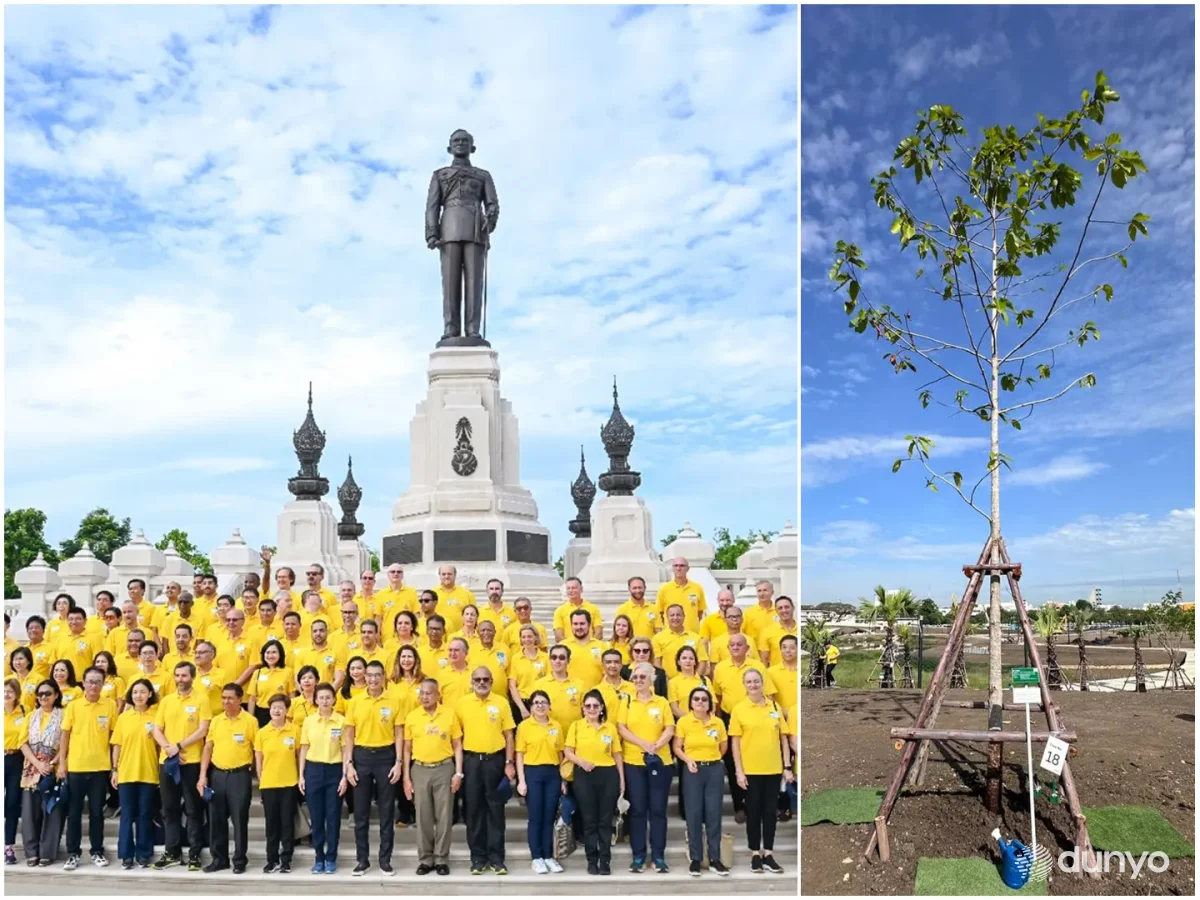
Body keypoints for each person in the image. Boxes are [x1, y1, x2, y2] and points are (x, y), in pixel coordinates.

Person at [730, 668, 793, 874]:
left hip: (773, 769)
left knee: (769, 813)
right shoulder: (739, 709)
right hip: (751, 771)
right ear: (744, 685)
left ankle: (769, 853)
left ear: (762, 683)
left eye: (756, 681)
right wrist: (739, 771)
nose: (753, 685)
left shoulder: (774, 706)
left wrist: (787, 766)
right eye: (749, 682)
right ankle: (755, 853)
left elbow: (783, 738)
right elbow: (735, 744)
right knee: (754, 813)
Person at [343, 660, 403, 876]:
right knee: (361, 813)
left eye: (378, 675)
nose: (374, 679)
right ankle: (362, 860)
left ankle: (385, 860)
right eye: (370, 675)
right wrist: (348, 764)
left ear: (383, 676)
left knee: (387, 811)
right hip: (362, 757)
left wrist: (398, 762)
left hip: (386, 757)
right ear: (364, 677)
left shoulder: (394, 701)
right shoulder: (356, 702)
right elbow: (349, 734)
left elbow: (399, 734)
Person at [151, 661, 212, 871]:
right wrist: (168, 747)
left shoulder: (201, 699)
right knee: (169, 809)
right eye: (177, 675)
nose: (180, 679)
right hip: (168, 762)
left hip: (191, 762)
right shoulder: (166, 701)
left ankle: (195, 854)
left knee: (193, 809)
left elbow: (203, 730)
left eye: (184, 676)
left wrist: (179, 746)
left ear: (192, 677)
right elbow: (157, 729)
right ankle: (172, 853)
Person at [455, 666, 516, 875]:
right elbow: (457, 738)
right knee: (473, 811)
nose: (482, 683)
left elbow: (509, 735)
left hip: (495, 762)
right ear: (471, 682)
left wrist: (509, 762)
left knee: (496, 811)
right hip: (471, 762)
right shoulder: (462, 703)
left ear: (491, 681)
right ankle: (478, 858)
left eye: (486, 679)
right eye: (477, 679)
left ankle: (497, 858)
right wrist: (459, 769)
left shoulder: (501, 702)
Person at [712, 633, 777, 824]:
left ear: (747, 648)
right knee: (733, 765)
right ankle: (739, 806)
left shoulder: (757, 667)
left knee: (755, 762)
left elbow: (770, 696)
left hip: (756, 719)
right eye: (732, 645)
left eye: (740, 644)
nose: (736, 647)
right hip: (729, 718)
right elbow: (718, 696)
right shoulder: (721, 668)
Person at [617, 661, 675, 873]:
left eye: (642, 677)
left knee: (658, 810)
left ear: (652, 679)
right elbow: (621, 728)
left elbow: (670, 727)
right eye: (635, 677)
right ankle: (639, 856)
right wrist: (643, 744)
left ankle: (658, 856)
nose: (638, 680)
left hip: (660, 762)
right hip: (634, 762)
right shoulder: (627, 701)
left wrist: (658, 744)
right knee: (638, 810)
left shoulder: (662, 703)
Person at [403, 678, 463, 876]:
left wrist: (458, 773)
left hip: (444, 768)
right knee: (423, 816)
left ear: (438, 695)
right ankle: (425, 859)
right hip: (419, 769)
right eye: (422, 693)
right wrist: (406, 778)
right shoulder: (412, 716)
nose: (425, 697)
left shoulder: (449, 714)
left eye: (429, 693)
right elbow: (406, 749)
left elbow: (457, 745)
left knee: (444, 816)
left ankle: (441, 858)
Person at [60, 665, 117, 869]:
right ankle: (73, 853)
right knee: (74, 813)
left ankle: (97, 851)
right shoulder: (74, 706)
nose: (93, 686)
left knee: (96, 813)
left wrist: (114, 766)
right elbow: (65, 735)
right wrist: (61, 763)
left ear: (103, 685)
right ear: (83, 683)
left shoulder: (110, 705)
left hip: (100, 768)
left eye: (98, 682)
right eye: (90, 681)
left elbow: (113, 738)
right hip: (76, 767)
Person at [199, 682, 258, 873]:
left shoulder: (250, 721)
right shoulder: (216, 720)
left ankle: (239, 860)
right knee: (216, 820)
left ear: (240, 699)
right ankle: (219, 859)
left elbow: (257, 750)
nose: (226, 701)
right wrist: (202, 776)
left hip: (239, 775)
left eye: (230, 698)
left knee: (239, 820)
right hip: (217, 774)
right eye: (223, 698)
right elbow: (208, 747)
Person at [563, 689, 623, 876]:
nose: (591, 709)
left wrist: (622, 780)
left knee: (605, 821)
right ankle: (592, 860)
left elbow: (617, 754)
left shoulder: (610, 728)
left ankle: (605, 860)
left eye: (595, 705)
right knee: (589, 820)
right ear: (583, 708)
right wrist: (582, 762)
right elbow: (568, 751)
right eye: (588, 706)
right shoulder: (577, 726)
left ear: (602, 708)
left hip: (608, 775)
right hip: (584, 775)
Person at [672, 685, 729, 877]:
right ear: (690, 702)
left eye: (704, 699)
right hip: (692, 770)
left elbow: (723, 747)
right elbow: (677, 747)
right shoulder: (684, 722)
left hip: (713, 770)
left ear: (709, 703)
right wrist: (689, 760)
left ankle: (715, 858)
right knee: (694, 813)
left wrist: (711, 760)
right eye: (696, 699)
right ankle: (696, 859)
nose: (700, 702)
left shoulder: (718, 723)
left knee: (713, 813)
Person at [299, 681, 348, 874]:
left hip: (335, 771)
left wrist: (345, 776)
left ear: (334, 699)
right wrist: (301, 775)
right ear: (316, 700)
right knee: (317, 816)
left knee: (333, 816)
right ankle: (319, 856)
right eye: (321, 697)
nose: (325, 701)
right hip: (313, 770)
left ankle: (331, 857)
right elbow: (304, 748)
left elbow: (345, 750)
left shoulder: (341, 722)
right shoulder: (309, 721)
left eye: (328, 697)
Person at [110, 678, 160, 868]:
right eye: (135, 692)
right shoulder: (124, 717)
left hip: (148, 772)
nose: (138, 695)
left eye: (142, 692)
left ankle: (144, 853)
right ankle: (126, 854)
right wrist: (115, 770)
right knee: (127, 815)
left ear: (149, 694)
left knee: (145, 814)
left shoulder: (156, 716)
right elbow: (117, 746)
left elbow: (159, 746)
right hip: (126, 773)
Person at [514, 688, 564, 875]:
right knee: (536, 817)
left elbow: (559, 753)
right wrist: (522, 781)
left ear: (549, 706)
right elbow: (519, 754)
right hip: (532, 772)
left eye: (544, 702)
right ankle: (537, 857)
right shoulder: (524, 727)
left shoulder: (556, 726)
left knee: (549, 816)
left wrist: (562, 779)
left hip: (552, 773)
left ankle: (548, 856)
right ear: (531, 707)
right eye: (536, 703)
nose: (540, 706)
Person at [18, 679, 66, 866]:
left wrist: (53, 763)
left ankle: (47, 851)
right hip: (31, 768)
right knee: (30, 813)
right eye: (40, 694)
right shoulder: (31, 716)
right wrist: (38, 763)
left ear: (56, 695)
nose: (43, 697)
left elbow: (66, 743)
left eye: (47, 693)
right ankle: (32, 851)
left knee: (52, 810)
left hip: (54, 768)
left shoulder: (63, 715)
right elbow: (22, 742)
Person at [254, 693, 299, 874]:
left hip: (289, 783)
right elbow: (259, 761)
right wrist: (261, 781)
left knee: (287, 823)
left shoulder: (295, 730)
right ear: (269, 710)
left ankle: (286, 859)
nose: (277, 710)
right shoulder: (262, 733)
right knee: (271, 824)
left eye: (281, 707)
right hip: (269, 784)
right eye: (274, 708)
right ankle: (271, 859)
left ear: (287, 710)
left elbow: (298, 757)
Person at [390, 645, 424, 828]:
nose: (406, 660)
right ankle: (404, 812)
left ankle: (420, 812)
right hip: (398, 732)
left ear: (416, 659)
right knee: (401, 771)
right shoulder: (391, 683)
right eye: (403, 657)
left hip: (419, 732)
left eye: (410, 656)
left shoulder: (423, 681)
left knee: (418, 772)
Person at [531, 645, 584, 729]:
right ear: (550, 660)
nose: (557, 661)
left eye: (562, 658)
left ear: (568, 661)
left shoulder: (580, 684)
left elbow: (585, 712)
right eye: (554, 657)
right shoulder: (539, 684)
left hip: (574, 735)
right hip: (550, 736)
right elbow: (534, 713)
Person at [652, 604, 710, 678]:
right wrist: (665, 680)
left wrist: (694, 679)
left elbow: (702, 661)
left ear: (684, 617)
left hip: (691, 683)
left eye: (678, 615)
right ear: (667, 618)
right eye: (672, 615)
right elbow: (657, 663)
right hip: (667, 683)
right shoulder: (658, 638)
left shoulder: (696, 638)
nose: (675, 618)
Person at [507, 624, 549, 722]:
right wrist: (522, 708)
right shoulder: (515, 658)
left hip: (541, 703)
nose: (527, 639)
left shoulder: (545, 657)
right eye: (524, 637)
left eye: (529, 636)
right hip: (522, 702)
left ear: (535, 637)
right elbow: (512, 686)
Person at [248, 640, 292, 728]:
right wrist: (251, 719)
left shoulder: (288, 672)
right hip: (261, 713)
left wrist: (289, 716)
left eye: (274, 652)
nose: (270, 655)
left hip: (281, 713)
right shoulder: (258, 673)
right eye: (267, 652)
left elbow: (292, 696)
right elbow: (252, 699)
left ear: (280, 654)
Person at [4, 678, 25, 865]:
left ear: (17, 694)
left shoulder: (24, 713)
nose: (6, 694)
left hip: (16, 759)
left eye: (10, 691)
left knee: (11, 803)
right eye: (3, 691)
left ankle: (8, 846)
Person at [656, 558, 707, 633]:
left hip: (692, 634)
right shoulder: (664, 589)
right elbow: (659, 612)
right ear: (672, 568)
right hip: (671, 634)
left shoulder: (697, 588)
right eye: (676, 566)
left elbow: (700, 612)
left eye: (682, 566)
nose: (678, 568)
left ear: (688, 569)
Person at [564, 610, 606, 689]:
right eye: (575, 624)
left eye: (582, 624)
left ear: (589, 625)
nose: (578, 627)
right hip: (570, 697)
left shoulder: (602, 646)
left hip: (596, 697)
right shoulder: (562, 647)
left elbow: (608, 673)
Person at [553, 577, 602, 642]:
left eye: (574, 588)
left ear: (581, 589)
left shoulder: (593, 608)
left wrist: (589, 644)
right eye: (568, 588)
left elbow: (599, 632)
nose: (571, 590)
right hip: (569, 649)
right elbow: (558, 635)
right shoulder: (560, 610)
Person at [433, 565, 474, 635]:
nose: (446, 576)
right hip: (438, 636)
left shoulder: (466, 594)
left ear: (455, 575)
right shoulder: (432, 594)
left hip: (461, 636)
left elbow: (474, 615)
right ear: (439, 575)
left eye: (449, 574)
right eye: (443, 574)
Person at [758, 596, 798, 668]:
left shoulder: (800, 629)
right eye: (780, 608)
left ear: (793, 608)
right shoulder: (767, 631)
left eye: (786, 607)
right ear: (776, 611)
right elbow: (764, 660)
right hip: (776, 676)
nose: (784, 610)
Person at [742, 580, 778, 644]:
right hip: (755, 651)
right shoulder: (749, 613)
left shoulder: (779, 611)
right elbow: (741, 632)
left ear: (772, 592)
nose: (762, 594)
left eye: (765, 590)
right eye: (759, 591)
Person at [11, 647, 38, 712]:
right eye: (15, 659)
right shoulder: (7, 679)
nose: (17, 662)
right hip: (10, 718)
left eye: (21, 659)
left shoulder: (38, 679)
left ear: (29, 661)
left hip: (30, 718)